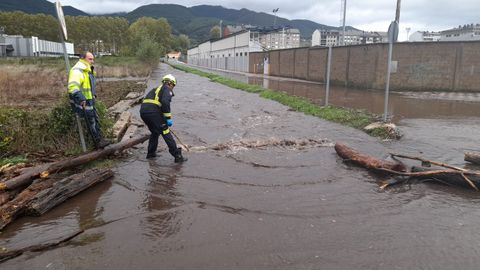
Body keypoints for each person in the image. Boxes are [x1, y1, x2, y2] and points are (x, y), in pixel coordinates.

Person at [140, 74, 187, 162]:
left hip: (144, 112)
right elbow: (165, 102)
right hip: (153, 112)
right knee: (165, 131)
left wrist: (162, 117)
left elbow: (157, 104)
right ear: (170, 83)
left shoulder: (156, 89)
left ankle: (151, 154)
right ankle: (177, 156)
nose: (173, 88)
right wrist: (168, 118)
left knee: (155, 132)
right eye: (173, 86)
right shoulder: (166, 88)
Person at [68, 52, 110, 149]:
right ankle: (98, 143)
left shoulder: (87, 70)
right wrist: (81, 98)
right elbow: (73, 86)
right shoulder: (77, 70)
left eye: (93, 59)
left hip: (90, 100)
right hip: (83, 101)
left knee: (94, 119)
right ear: (83, 58)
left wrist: (94, 94)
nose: (92, 61)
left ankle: (100, 141)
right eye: (90, 59)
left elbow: (90, 85)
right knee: (91, 121)